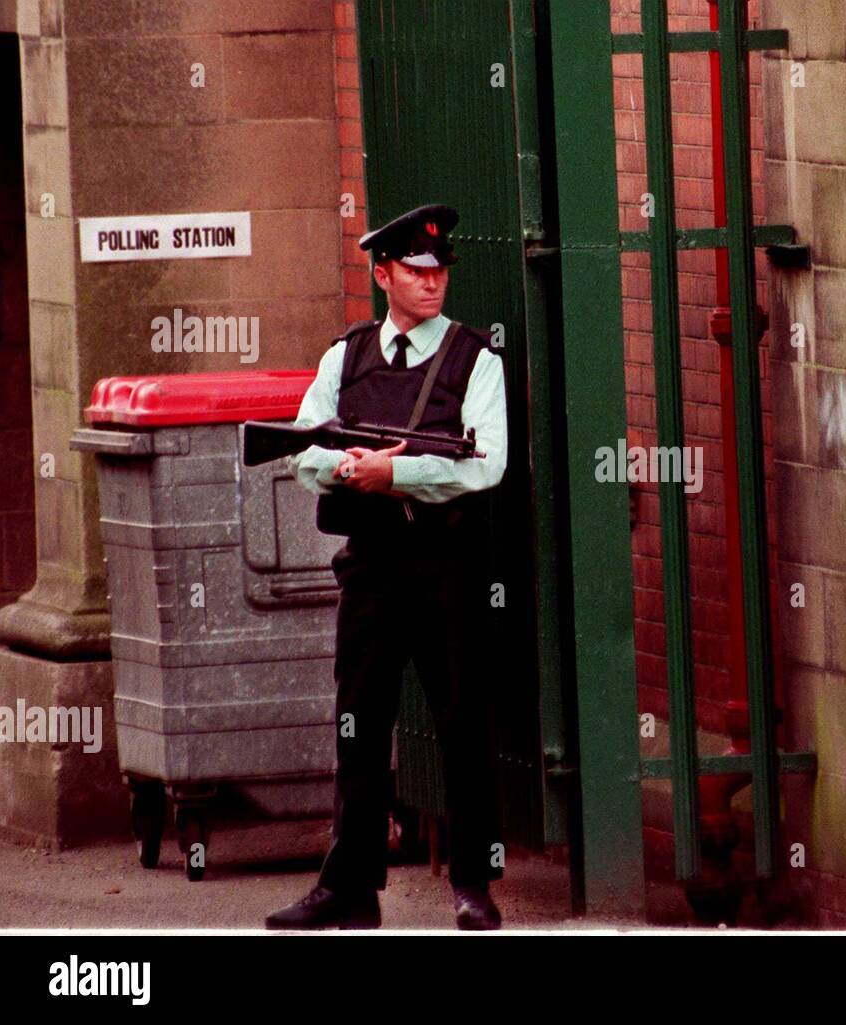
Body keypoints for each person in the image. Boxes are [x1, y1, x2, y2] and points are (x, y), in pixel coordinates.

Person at [265, 203, 508, 931]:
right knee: (358, 723)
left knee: (464, 723)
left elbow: (488, 462)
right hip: (370, 567)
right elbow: (303, 449)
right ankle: (349, 885)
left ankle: (473, 885)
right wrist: (349, 466)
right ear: (383, 274)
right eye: (416, 271)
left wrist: (396, 477)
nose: (432, 283)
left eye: (439, 271)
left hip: (446, 566)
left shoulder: (474, 358)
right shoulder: (345, 356)